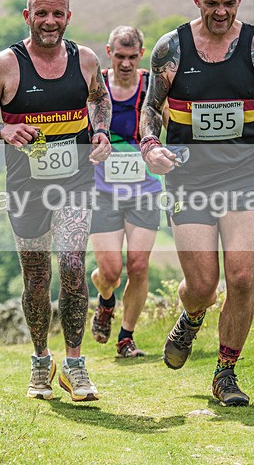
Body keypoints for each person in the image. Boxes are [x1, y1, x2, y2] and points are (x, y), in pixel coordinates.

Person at [138, 0, 254, 406]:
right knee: (203, 286)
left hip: (243, 175)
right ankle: (192, 315)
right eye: (211, 3)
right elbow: (150, 108)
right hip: (188, 177)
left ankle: (225, 373)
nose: (220, 12)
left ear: (240, 0)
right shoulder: (172, 48)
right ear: (196, 0)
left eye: (228, 4)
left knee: (242, 276)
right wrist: (150, 145)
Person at [0, 0, 112, 401]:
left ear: (68, 17)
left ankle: (76, 365)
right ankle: (41, 360)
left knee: (72, 264)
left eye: (58, 14)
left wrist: (100, 131)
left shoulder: (85, 60)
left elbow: (100, 99)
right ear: (28, 16)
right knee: (37, 278)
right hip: (26, 188)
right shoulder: (6, 65)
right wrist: (4, 130)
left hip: (76, 181)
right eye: (41, 13)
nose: (50, 21)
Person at [89, 26, 161, 358]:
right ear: (109, 53)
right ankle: (105, 301)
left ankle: (126, 337)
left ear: (141, 54)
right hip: (103, 191)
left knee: (139, 265)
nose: (127, 63)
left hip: (144, 190)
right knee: (110, 271)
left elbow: (170, 122)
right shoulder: (96, 86)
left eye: (133, 57)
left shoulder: (151, 87)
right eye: (120, 56)